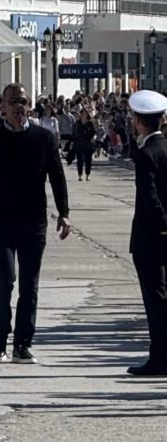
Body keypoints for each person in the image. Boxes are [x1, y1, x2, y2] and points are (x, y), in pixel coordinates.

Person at [0, 83, 70, 365]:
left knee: (29, 284)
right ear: (2, 106)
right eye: (13, 102)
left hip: (34, 221)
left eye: (23, 101)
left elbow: (57, 176)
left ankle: (23, 344)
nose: (19, 107)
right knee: (5, 280)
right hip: (2, 220)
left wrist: (64, 212)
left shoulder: (43, 138)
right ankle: (1, 336)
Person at [126, 90, 167, 376]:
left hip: (151, 237)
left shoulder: (146, 154)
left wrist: (164, 224)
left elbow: (149, 196)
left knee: (155, 299)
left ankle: (159, 357)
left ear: (138, 122)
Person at [72, 110, 96, 181]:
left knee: (88, 160)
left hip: (88, 144)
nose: (83, 115)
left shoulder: (90, 123)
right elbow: (73, 133)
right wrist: (73, 141)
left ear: (87, 115)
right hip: (79, 144)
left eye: (85, 114)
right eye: (82, 113)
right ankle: (80, 175)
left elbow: (93, 133)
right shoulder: (77, 123)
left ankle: (88, 175)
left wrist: (93, 138)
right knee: (80, 160)